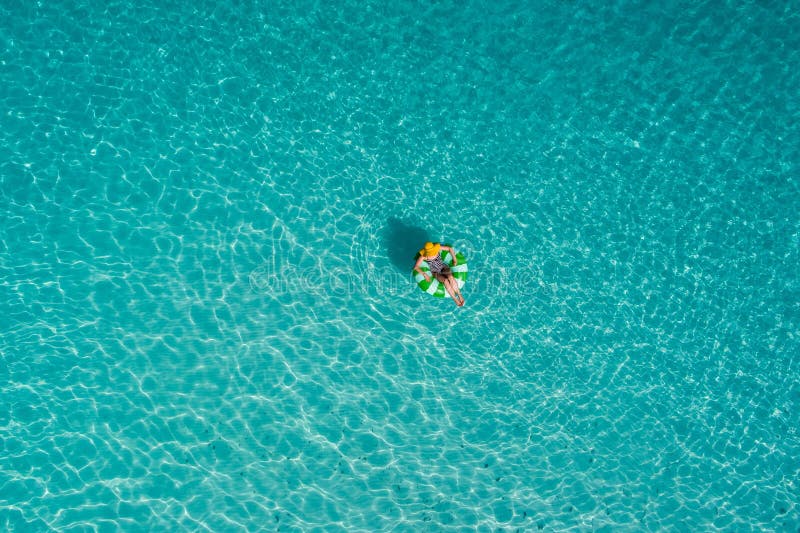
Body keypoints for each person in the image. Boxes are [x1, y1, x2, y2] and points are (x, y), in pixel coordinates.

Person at [413, 242, 465, 307]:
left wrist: (454, 259)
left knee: (450, 277)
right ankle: (455, 299)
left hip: (443, 267)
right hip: (435, 272)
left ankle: (460, 295)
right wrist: (424, 274)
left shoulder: (437, 249)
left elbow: (450, 248)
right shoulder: (424, 256)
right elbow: (416, 267)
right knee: (445, 281)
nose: (432, 254)